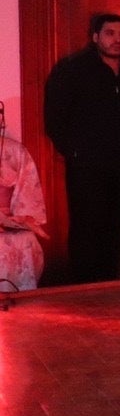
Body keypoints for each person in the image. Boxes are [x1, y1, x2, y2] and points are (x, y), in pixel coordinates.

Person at [43, 13, 120, 283]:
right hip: (86, 164)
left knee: (114, 226)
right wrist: (75, 150)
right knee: (86, 227)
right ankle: (84, 288)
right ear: (95, 36)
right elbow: (55, 117)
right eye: (110, 33)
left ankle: (108, 285)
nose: (117, 39)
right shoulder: (72, 70)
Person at [0, 102, 48, 292]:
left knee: (24, 240)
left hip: (7, 220)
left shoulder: (14, 150)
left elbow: (27, 197)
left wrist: (15, 220)